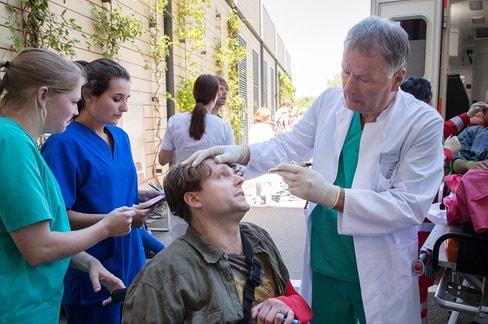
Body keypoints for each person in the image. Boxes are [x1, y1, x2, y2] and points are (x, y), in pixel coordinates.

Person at [184, 16, 444, 323]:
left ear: (397, 79)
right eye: (346, 71)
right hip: (326, 258)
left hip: (379, 264)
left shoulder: (422, 123)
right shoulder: (331, 101)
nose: (349, 86)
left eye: (364, 78)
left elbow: (409, 205)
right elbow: (290, 144)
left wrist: (334, 196)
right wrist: (244, 152)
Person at [0, 49, 134, 323]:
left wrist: (88, 261)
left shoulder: (18, 141)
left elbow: (43, 231)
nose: (75, 112)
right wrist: (106, 226)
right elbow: (39, 247)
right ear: (43, 95)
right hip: (18, 307)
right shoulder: (11, 143)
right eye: (74, 101)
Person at [40, 58, 163, 324]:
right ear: (88, 95)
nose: (125, 107)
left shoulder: (120, 137)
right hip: (91, 266)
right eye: (117, 98)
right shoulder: (63, 144)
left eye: (127, 98)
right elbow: (55, 218)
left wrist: (139, 199)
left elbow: (116, 193)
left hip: (132, 260)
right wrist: (115, 220)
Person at [121, 159, 313, 323]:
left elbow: (298, 302)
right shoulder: (161, 277)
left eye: (234, 173)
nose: (240, 180)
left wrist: (285, 305)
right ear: (194, 199)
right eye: (222, 176)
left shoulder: (257, 238)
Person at [158, 74, 234, 166]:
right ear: (215, 96)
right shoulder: (223, 125)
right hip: (211, 178)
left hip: (182, 179)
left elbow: (163, 160)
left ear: (194, 94)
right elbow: (231, 161)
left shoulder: (175, 121)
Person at [248, 107, 276, 205]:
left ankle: (258, 198)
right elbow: (271, 141)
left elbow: (250, 141)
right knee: (267, 177)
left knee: (256, 177)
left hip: (255, 153)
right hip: (266, 154)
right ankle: (268, 198)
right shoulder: (267, 128)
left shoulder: (253, 127)